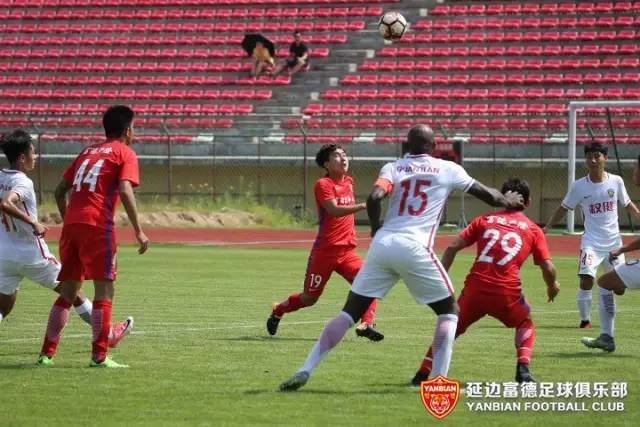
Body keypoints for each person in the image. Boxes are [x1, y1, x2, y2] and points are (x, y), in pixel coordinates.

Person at [279, 125, 524, 391]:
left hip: (383, 245)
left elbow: (375, 197)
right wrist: (508, 199)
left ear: (407, 146)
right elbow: (490, 196)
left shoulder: (393, 167)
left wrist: (376, 229)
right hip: (415, 246)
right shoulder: (448, 168)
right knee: (449, 312)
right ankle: (438, 382)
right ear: (433, 146)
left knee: (349, 313)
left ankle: (305, 369)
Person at [411, 178, 560, 385]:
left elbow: (452, 247)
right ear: (528, 203)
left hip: (474, 291)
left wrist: (440, 280)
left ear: (502, 197)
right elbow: (548, 268)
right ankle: (523, 369)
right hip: (506, 293)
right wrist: (552, 286)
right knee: (525, 322)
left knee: (451, 325)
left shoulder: (484, 219)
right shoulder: (533, 229)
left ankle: (422, 373)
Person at [37, 105, 149, 368]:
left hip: (72, 227)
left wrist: (70, 219)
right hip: (98, 227)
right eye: (134, 128)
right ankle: (99, 356)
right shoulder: (125, 153)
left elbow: (58, 191)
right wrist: (138, 229)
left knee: (68, 291)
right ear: (127, 130)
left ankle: (46, 354)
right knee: (104, 290)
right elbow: (125, 189)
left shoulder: (87, 151)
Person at [0, 130, 132, 346]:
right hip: (32, 255)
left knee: (3, 307)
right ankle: (108, 336)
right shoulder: (23, 182)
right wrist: (33, 222)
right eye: (33, 152)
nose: (35, 156)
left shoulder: (1, 177)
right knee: (73, 292)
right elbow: (6, 203)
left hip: (4, 255)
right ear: (22, 157)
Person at [267, 144, 383, 342]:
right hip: (325, 252)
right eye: (337, 156)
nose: (343, 158)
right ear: (326, 164)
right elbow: (334, 210)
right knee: (309, 298)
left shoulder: (349, 182)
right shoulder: (323, 184)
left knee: (369, 283)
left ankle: (366, 324)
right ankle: (279, 309)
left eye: (344, 154)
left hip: (347, 251)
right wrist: (364, 205)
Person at [544, 142, 640, 352]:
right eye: (589, 157)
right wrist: (547, 227)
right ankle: (585, 320)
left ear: (605, 158)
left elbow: (627, 204)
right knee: (587, 279)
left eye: (597, 156)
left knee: (619, 289)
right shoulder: (579, 186)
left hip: (614, 243)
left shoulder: (616, 181)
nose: (593, 160)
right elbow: (563, 207)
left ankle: (606, 331)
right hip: (591, 243)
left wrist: (638, 216)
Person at [583, 154, 640, 349]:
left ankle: (607, 337)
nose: (634, 172)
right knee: (609, 283)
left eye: (636, 167)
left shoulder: (615, 182)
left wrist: (623, 249)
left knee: (604, 283)